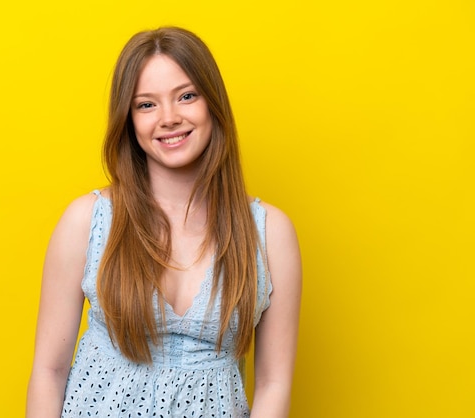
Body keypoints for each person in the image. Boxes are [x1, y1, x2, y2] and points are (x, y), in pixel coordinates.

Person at [26, 26, 302, 418]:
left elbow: (275, 383)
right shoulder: (87, 221)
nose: (169, 118)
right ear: (129, 119)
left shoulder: (270, 233)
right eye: (146, 105)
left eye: (187, 96)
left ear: (213, 104)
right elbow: (49, 371)